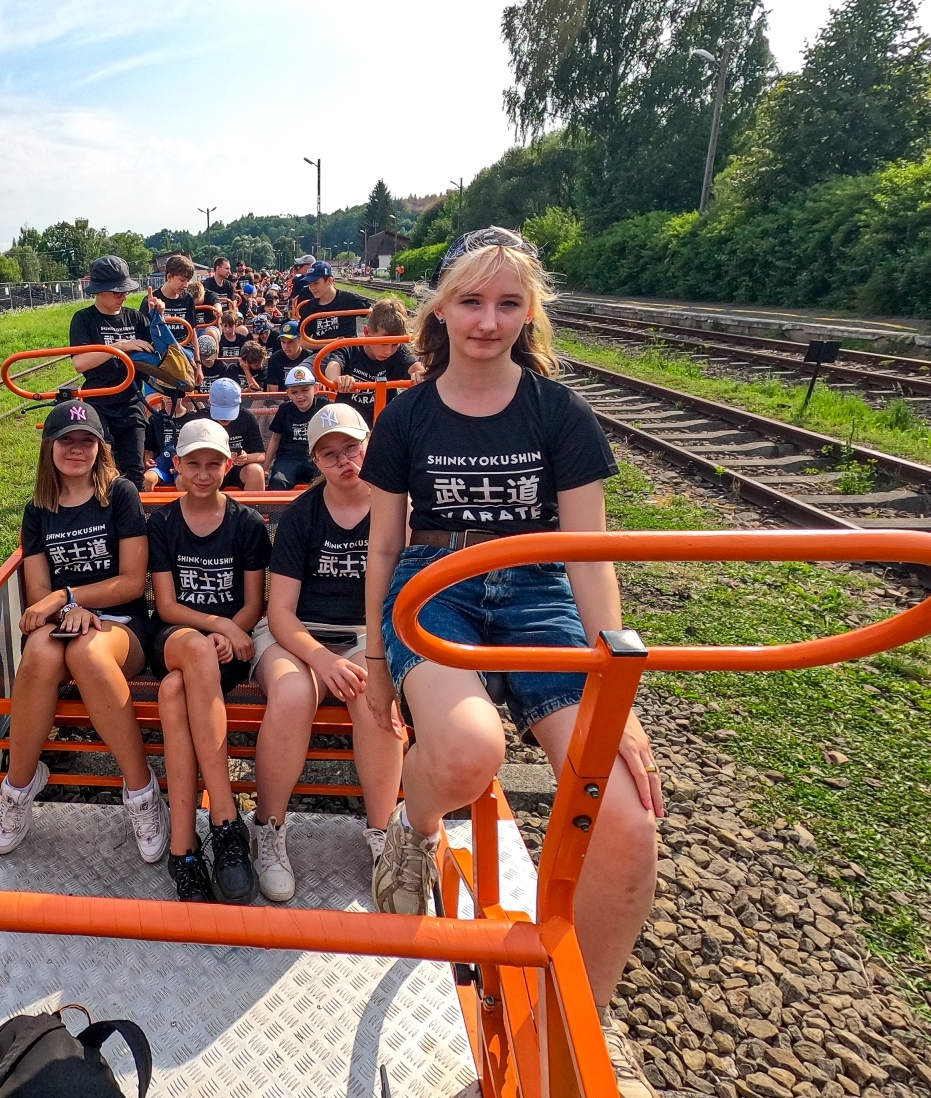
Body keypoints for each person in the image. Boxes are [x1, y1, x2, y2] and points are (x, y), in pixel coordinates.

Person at [359, 227, 661, 1098]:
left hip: (536, 589)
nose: (487, 321)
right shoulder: (408, 416)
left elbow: (589, 556)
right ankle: (416, 828)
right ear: (440, 310)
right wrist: (376, 659)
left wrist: (616, 687)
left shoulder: (558, 413)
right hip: (436, 585)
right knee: (467, 751)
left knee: (628, 819)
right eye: (470, 301)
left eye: (507, 303)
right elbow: (384, 547)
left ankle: (562, 1041)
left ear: (530, 313)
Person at [0, 401, 169, 860]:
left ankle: (141, 790)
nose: (76, 449)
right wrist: (66, 608)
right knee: (41, 653)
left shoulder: (120, 494)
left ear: (100, 448)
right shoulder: (39, 510)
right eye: (66, 441)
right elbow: (38, 593)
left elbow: (132, 581)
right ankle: (18, 787)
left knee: (87, 652)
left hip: (122, 624)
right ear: (49, 447)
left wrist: (70, 596)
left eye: (86, 441)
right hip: (64, 622)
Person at [250, 403, 404, 902]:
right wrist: (322, 659)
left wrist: (367, 656)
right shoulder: (302, 515)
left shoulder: (396, 509)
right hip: (297, 635)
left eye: (351, 449)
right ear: (315, 461)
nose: (344, 462)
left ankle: (383, 832)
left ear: (369, 446)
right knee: (293, 695)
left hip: (364, 635)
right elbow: (281, 613)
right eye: (329, 454)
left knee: (375, 697)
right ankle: (269, 828)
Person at [146, 419, 270, 904]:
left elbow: (253, 603)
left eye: (213, 464)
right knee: (194, 652)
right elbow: (167, 605)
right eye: (193, 464)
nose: (202, 474)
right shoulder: (163, 524)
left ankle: (183, 848)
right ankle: (225, 816)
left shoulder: (247, 524)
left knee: (174, 691)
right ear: (176, 465)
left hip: (229, 648)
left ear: (229, 465)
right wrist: (220, 626)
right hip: (178, 637)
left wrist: (232, 630)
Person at [70, 255, 153, 488]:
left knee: (134, 472)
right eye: (118, 292)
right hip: (98, 403)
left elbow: (160, 351)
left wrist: (158, 316)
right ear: (99, 290)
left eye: (125, 291)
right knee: (102, 469)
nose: (123, 297)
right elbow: (80, 362)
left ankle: (133, 510)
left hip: (131, 402)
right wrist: (119, 347)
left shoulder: (135, 317)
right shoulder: (84, 319)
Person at [323, 298, 425, 425]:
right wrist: (338, 379)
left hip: (383, 421)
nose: (388, 351)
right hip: (347, 420)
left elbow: (414, 365)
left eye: (395, 344)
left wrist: (420, 373)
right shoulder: (350, 347)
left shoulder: (398, 353)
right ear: (367, 332)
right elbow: (333, 364)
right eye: (383, 343)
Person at [263, 364, 325, 490]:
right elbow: (275, 439)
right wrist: (265, 467)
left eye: (305, 390)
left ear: (316, 388)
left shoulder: (324, 407)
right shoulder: (284, 409)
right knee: (278, 481)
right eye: (294, 392)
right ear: (288, 394)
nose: (300, 396)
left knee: (325, 480)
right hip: (288, 458)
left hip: (316, 456)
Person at [207, 376, 266, 490]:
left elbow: (261, 455)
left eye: (228, 411)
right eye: (220, 411)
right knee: (183, 479)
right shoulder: (202, 419)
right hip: (211, 470)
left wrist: (246, 458)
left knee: (256, 471)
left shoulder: (246, 417)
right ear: (209, 403)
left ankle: (253, 503)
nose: (224, 418)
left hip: (240, 469)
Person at [296, 261, 372, 343]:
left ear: (330, 281)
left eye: (316, 283)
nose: (311, 288)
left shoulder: (348, 299)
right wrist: (334, 343)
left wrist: (367, 336)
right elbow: (303, 342)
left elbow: (372, 314)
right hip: (322, 350)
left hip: (348, 349)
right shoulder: (310, 307)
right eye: (309, 283)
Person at [264, 320, 310, 391]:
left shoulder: (309, 357)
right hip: (282, 397)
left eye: (290, 342)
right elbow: (273, 391)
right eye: (283, 342)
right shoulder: (275, 359)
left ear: (300, 339)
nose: (286, 346)